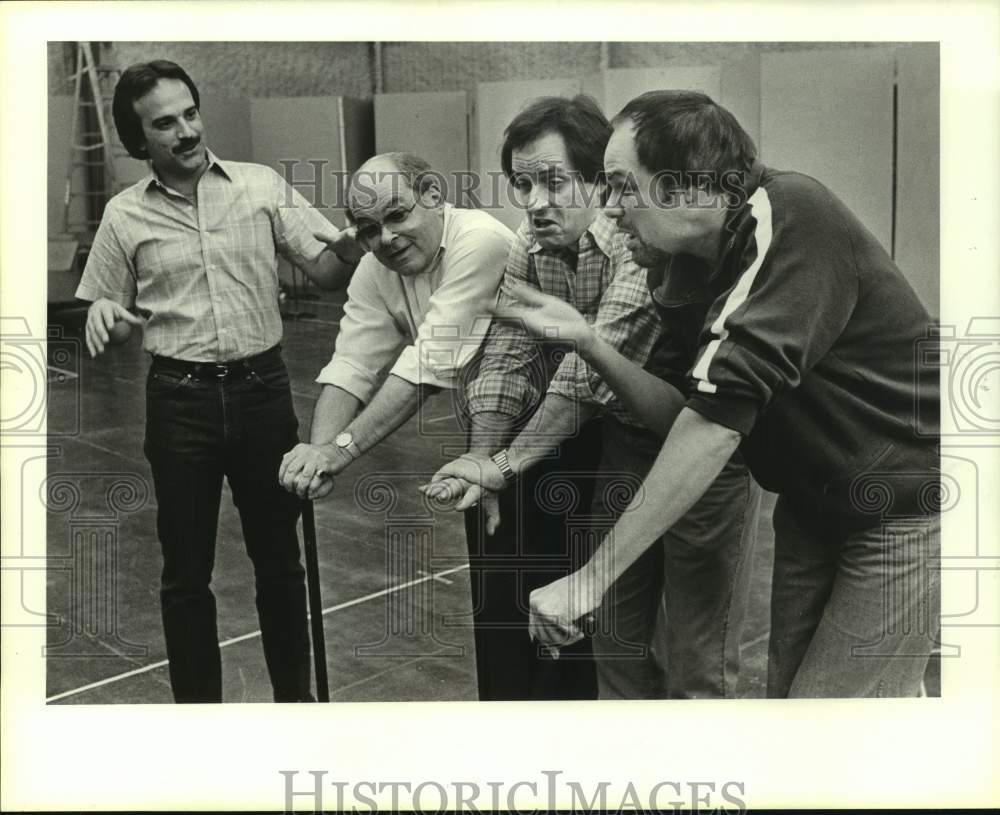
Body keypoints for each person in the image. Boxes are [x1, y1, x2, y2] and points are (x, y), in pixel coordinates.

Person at [516, 90, 940, 697]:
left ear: (689, 185)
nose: (609, 208)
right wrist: (590, 342)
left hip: (902, 510)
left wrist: (589, 580)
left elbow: (714, 426)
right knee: (809, 712)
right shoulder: (685, 268)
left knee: (826, 736)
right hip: (812, 508)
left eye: (621, 186)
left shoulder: (790, 213)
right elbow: (687, 416)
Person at [425, 95, 760, 700]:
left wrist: (503, 465)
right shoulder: (533, 240)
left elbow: (588, 374)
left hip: (706, 444)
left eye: (553, 182)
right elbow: (509, 351)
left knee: (695, 658)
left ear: (598, 180)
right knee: (615, 641)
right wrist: (484, 455)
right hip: (625, 443)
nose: (533, 203)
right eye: (521, 184)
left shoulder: (643, 243)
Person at [76, 60, 362, 703]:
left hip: (263, 394)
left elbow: (323, 273)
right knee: (185, 574)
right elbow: (116, 320)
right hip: (179, 404)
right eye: (164, 123)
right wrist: (106, 315)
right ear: (137, 139)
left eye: (189, 113)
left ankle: (296, 703)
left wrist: (349, 248)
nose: (184, 131)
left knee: (280, 563)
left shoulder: (260, 186)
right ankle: (198, 721)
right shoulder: (123, 216)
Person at [277, 152, 513, 510]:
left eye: (398, 215)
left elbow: (426, 366)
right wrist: (316, 457)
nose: (386, 238)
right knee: (492, 556)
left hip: (553, 429)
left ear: (433, 194)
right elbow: (351, 366)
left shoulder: (480, 240)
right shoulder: (374, 268)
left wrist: (338, 452)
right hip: (484, 431)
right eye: (369, 229)